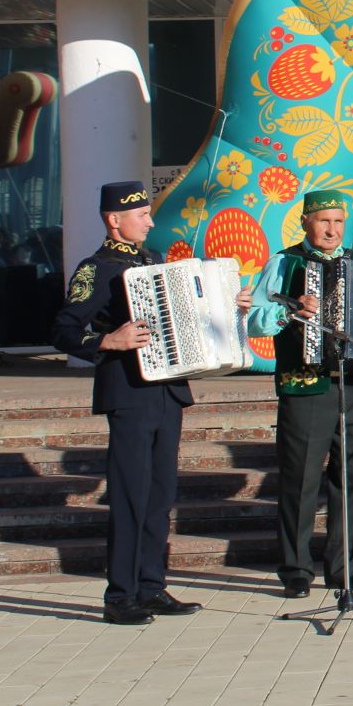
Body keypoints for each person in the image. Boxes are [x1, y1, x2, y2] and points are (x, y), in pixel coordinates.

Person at [52, 182, 250, 625]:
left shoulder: (152, 263)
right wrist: (108, 339)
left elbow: (193, 316)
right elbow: (64, 330)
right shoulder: (96, 268)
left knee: (160, 494)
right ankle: (120, 595)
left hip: (168, 390)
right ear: (114, 220)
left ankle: (151, 585)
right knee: (129, 495)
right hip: (128, 393)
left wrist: (229, 307)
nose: (150, 221)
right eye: (141, 214)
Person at [248, 189, 353, 599]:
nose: (332, 230)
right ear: (305, 221)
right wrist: (289, 312)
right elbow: (253, 320)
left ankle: (343, 566)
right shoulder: (286, 263)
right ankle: (295, 568)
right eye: (324, 221)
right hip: (306, 385)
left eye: (338, 222)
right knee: (300, 478)